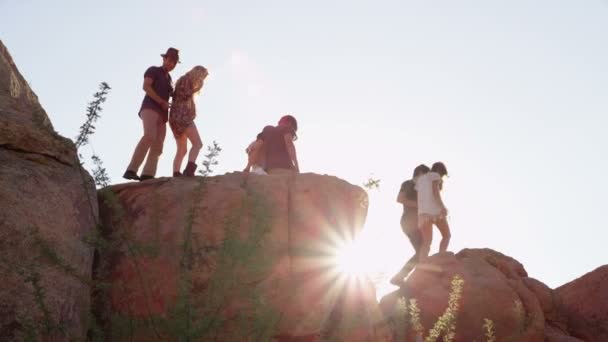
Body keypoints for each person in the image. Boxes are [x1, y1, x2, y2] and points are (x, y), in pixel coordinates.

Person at [123, 47, 179, 181]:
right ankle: (131, 170)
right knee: (149, 136)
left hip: (163, 114)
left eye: (174, 63)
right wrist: (161, 101)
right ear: (164, 59)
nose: (171, 64)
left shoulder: (170, 79)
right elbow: (146, 86)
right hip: (150, 108)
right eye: (169, 60)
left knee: (159, 144)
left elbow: (173, 95)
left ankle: (148, 174)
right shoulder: (153, 70)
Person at [390, 164, 430, 286]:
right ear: (419, 173)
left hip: (417, 223)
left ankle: (406, 278)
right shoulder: (408, 184)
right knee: (422, 250)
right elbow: (400, 199)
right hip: (409, 221)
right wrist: (419, 205)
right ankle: (400, 278)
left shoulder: (422, 188)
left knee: (422, 250)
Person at [169, 65, 209, 176]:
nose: (202, 80)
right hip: (182, 117)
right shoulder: (186, 80)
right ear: (197, 74)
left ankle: (176, 173)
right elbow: (184, 95)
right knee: (197, 144)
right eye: (202, 77)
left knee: (182, 149)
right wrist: (197, 89)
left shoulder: (184, 80)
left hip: (175, 117)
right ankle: (188, 171)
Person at [415, 162, 451, 265]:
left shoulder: (420, 179)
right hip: (435, 212)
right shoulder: (435, 175)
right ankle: (441, 257)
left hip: (422, 214)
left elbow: (420, 198)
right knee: (446, 235)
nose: (442, 177)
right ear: (440, 170)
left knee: (426, 242)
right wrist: (442, 207)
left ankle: (422, 266)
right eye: (443, 174)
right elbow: (435, 192)